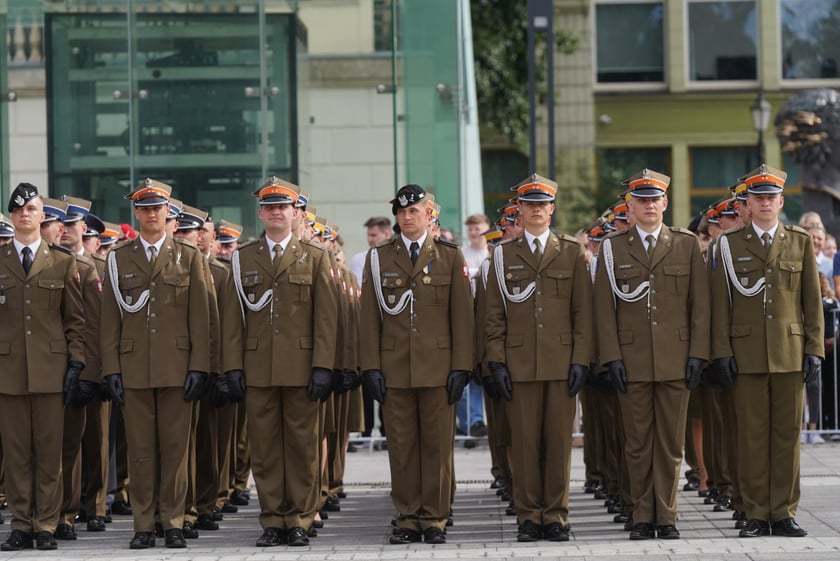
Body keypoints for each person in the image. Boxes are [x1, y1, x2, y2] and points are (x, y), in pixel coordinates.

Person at [594, 169, 710, 540]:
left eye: (654, 199)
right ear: (630, 206)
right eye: (641, 200)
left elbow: (700, 305)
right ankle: (642, 514)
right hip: (632, 360)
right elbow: (603, 309)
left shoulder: (685, 244)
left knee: (671, 445)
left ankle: (667, 515)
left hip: (676, 358)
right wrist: (611, 357)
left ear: (665, 203)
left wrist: (698, 354)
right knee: (638, 443)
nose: (648, 205)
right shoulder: (613, 247)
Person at [222, 177, 337, 547]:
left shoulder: (315, 257)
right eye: (269, 207)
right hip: (258, 369)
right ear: (260, 213)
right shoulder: (243, 258)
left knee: (303, 448)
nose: (276, 213)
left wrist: (323, 366)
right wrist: (232, 367)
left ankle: (300, 518)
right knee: (266, 450)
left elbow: (326, 318)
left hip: (302, 368)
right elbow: (232, 320)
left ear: (295, 213)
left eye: (283, 207)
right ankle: (273, 520)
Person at [711, 164, 824, 538]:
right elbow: (720, 304)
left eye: (770, 197)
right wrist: (722, 351)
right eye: (757, 197)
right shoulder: (730, 244)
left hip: (790, 352)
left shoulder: (800, 241)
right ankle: (757, 513)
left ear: (780, 202)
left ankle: (784, 512)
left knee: (787, 438)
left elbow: (812, 302)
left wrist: (814, 349)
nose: (764, 203)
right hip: (746, 354)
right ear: (748, 203)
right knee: (752, 437)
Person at [359, 184, 474, 545]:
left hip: (438, 368)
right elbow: (368, 318)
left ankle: (435, 517)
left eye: (414, 211)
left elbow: (462, 317)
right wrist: (370, 367)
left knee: (437, 447)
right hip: (394, 368)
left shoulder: (449, 256)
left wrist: (462, 367)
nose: (407, 217)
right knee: (402, 447)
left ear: (429, 215)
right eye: (402, 212)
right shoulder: (378, 257)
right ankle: (408, 517)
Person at [100, 178, 210, 549]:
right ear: (136, 212)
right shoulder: (118, 258)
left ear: (168, 212)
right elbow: (110, 319)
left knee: (176, 451)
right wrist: (111, 369)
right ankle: (144, 525)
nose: (151, 214)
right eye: (145, 208)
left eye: (157, 208)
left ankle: (173, 522)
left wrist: (199, 366)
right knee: (141, 452)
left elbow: (201, 318)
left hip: (177, 368)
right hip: (134, 368)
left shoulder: (189, 256)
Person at [484, 174, 592, 542]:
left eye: (542, 205)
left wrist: (581, 360)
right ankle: (529, 516)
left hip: (561, 362)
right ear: (520, 209)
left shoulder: (571, 251)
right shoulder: (503, 254)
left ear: (551, 209)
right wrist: (496, 361)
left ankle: (556, 515)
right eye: (529, 204)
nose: (535, 210)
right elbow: (494, 314)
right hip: (519, 364)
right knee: (525, 443)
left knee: (559, 444)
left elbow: (582, 312)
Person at [0, 183, 85, 551]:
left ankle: (47, 524)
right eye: (19, 209)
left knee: (50, 454)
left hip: (51, 372)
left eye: (31, 209)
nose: (25, 214)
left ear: (42, 216)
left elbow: (75, 321)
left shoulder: (62, 262)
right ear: (12, 216)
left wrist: (77, 362)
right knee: (17, 453)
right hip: (8, 373)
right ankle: (21, 524)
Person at [458, 214, 490, 443]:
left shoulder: (492, 253)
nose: (473, 232)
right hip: (467, 316)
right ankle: (471, 423)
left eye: (477, 228)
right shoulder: (461, 254)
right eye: (470, 229)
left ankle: (478, 420)